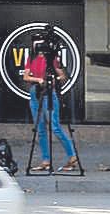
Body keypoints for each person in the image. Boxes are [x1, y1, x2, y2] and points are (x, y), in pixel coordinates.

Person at [21, 35, 78, 172]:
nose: (38, 46)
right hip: (35, 92)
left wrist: (53, 79)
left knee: (55, 127)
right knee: (40, 129)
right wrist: (39, 79)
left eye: (40, 43)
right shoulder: (31, 58)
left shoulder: (52, 58)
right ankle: (46, 160)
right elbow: (25, 76)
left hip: (49, 93)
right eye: (35, 43)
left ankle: (72, 156)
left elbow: (63, 75)